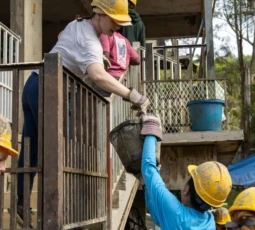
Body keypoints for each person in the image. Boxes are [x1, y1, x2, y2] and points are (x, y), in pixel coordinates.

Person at [16, 0, 150, 228]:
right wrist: (132, 95)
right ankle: (56, 215)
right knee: (63, 152)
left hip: (33, 83)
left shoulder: (77, 24)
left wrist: (95, 58)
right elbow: (98, 76)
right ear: (99, 14)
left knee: (31, 150)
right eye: (114, 21)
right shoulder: (92, 42)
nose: (117, 27)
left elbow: (61, 37)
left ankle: (21, 204)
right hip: (50, 90)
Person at [139, 114, 232, 230]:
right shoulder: (209, 222)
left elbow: (148, 169)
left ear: (186, 189)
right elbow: (159, 218)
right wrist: (147, 188)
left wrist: (151, 126)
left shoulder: (176, 212)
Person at [94, 31, 140, 97]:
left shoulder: (105, 34)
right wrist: (123, 60)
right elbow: (137, 60)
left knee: (92, 99)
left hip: (108, 77)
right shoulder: (124, 40)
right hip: (121, 79)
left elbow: (105, 57)